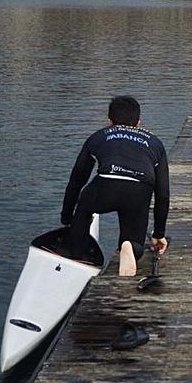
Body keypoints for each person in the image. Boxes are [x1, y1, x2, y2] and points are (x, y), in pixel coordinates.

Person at [62, 96, 170, 277]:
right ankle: (129, 247)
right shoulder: (155, 143)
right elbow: (163, 193)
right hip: (139, 190)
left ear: (110, 121)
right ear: (138, 122)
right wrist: (158, 233)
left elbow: (76, 180)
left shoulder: (99, 137)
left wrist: (66, 218)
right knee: (134, 239)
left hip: (106, 185)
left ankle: (77, 251)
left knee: (84, 205)